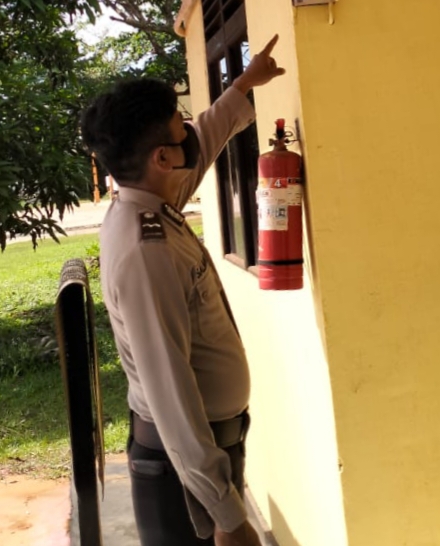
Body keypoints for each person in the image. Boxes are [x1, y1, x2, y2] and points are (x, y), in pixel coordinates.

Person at [81, 35, 285, 546]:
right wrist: (227, 514)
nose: (191, 135)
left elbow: (207, 140)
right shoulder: (144, 251)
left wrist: (244, 84)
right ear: (161, 158)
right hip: (182, 480)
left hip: (201, 460)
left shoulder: (152, 202)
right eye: (180, 133)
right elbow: (170, 393)